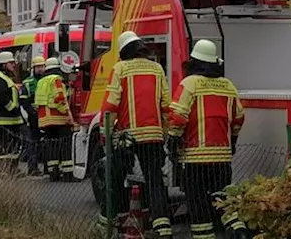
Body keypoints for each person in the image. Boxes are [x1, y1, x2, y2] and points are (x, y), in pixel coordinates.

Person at [169, 40, 248, 239]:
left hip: (195, 159)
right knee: (222, 198)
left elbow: (178, 117)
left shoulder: (190, 83)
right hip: (222, 158)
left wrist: (172, 140)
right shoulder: (228, 85)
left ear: (195, 62)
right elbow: (239, 117)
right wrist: (233, 142)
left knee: (198, 204)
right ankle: (238, 230)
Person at [101, 31, 172, 237]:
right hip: (153, 135)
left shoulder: (120, 69)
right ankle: (162, 226)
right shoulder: (157, 69)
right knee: (155, 180)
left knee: (117, 178)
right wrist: (165, 133)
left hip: (126, 135)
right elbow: (166, 105)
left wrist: (106, 133)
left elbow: (111, 104)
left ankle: (116, 221)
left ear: (124, 51)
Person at [34, 55, 74, 181]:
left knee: (52, 146)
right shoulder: (56, 79)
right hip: (58, 118)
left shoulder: (41, 81)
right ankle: (68, 174)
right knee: (65, 145)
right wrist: (67, 115)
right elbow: (59, 98)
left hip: (44, 119)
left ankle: (53, 173)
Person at [0, 51, 24, 173]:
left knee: (13, 145)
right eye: (11, 63)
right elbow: (2, 96)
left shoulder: (6, 77)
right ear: (3, 64)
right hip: (3, 118)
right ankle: (4, 170)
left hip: (12, 118)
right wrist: (13, 109)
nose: (13, 65)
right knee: (4, 145)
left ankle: (13, 169)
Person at [20, 55, 47, 176]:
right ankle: (33, 167)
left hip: (46, 115)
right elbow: (23, 100)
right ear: (33, 68)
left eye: (42, 67)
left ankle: (48, 167)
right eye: (38, 67)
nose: (40, 69)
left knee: (47, 142)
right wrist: (31, 111)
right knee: (33, 142)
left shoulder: (48, 80)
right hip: (34, 117)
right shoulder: (27, 83)